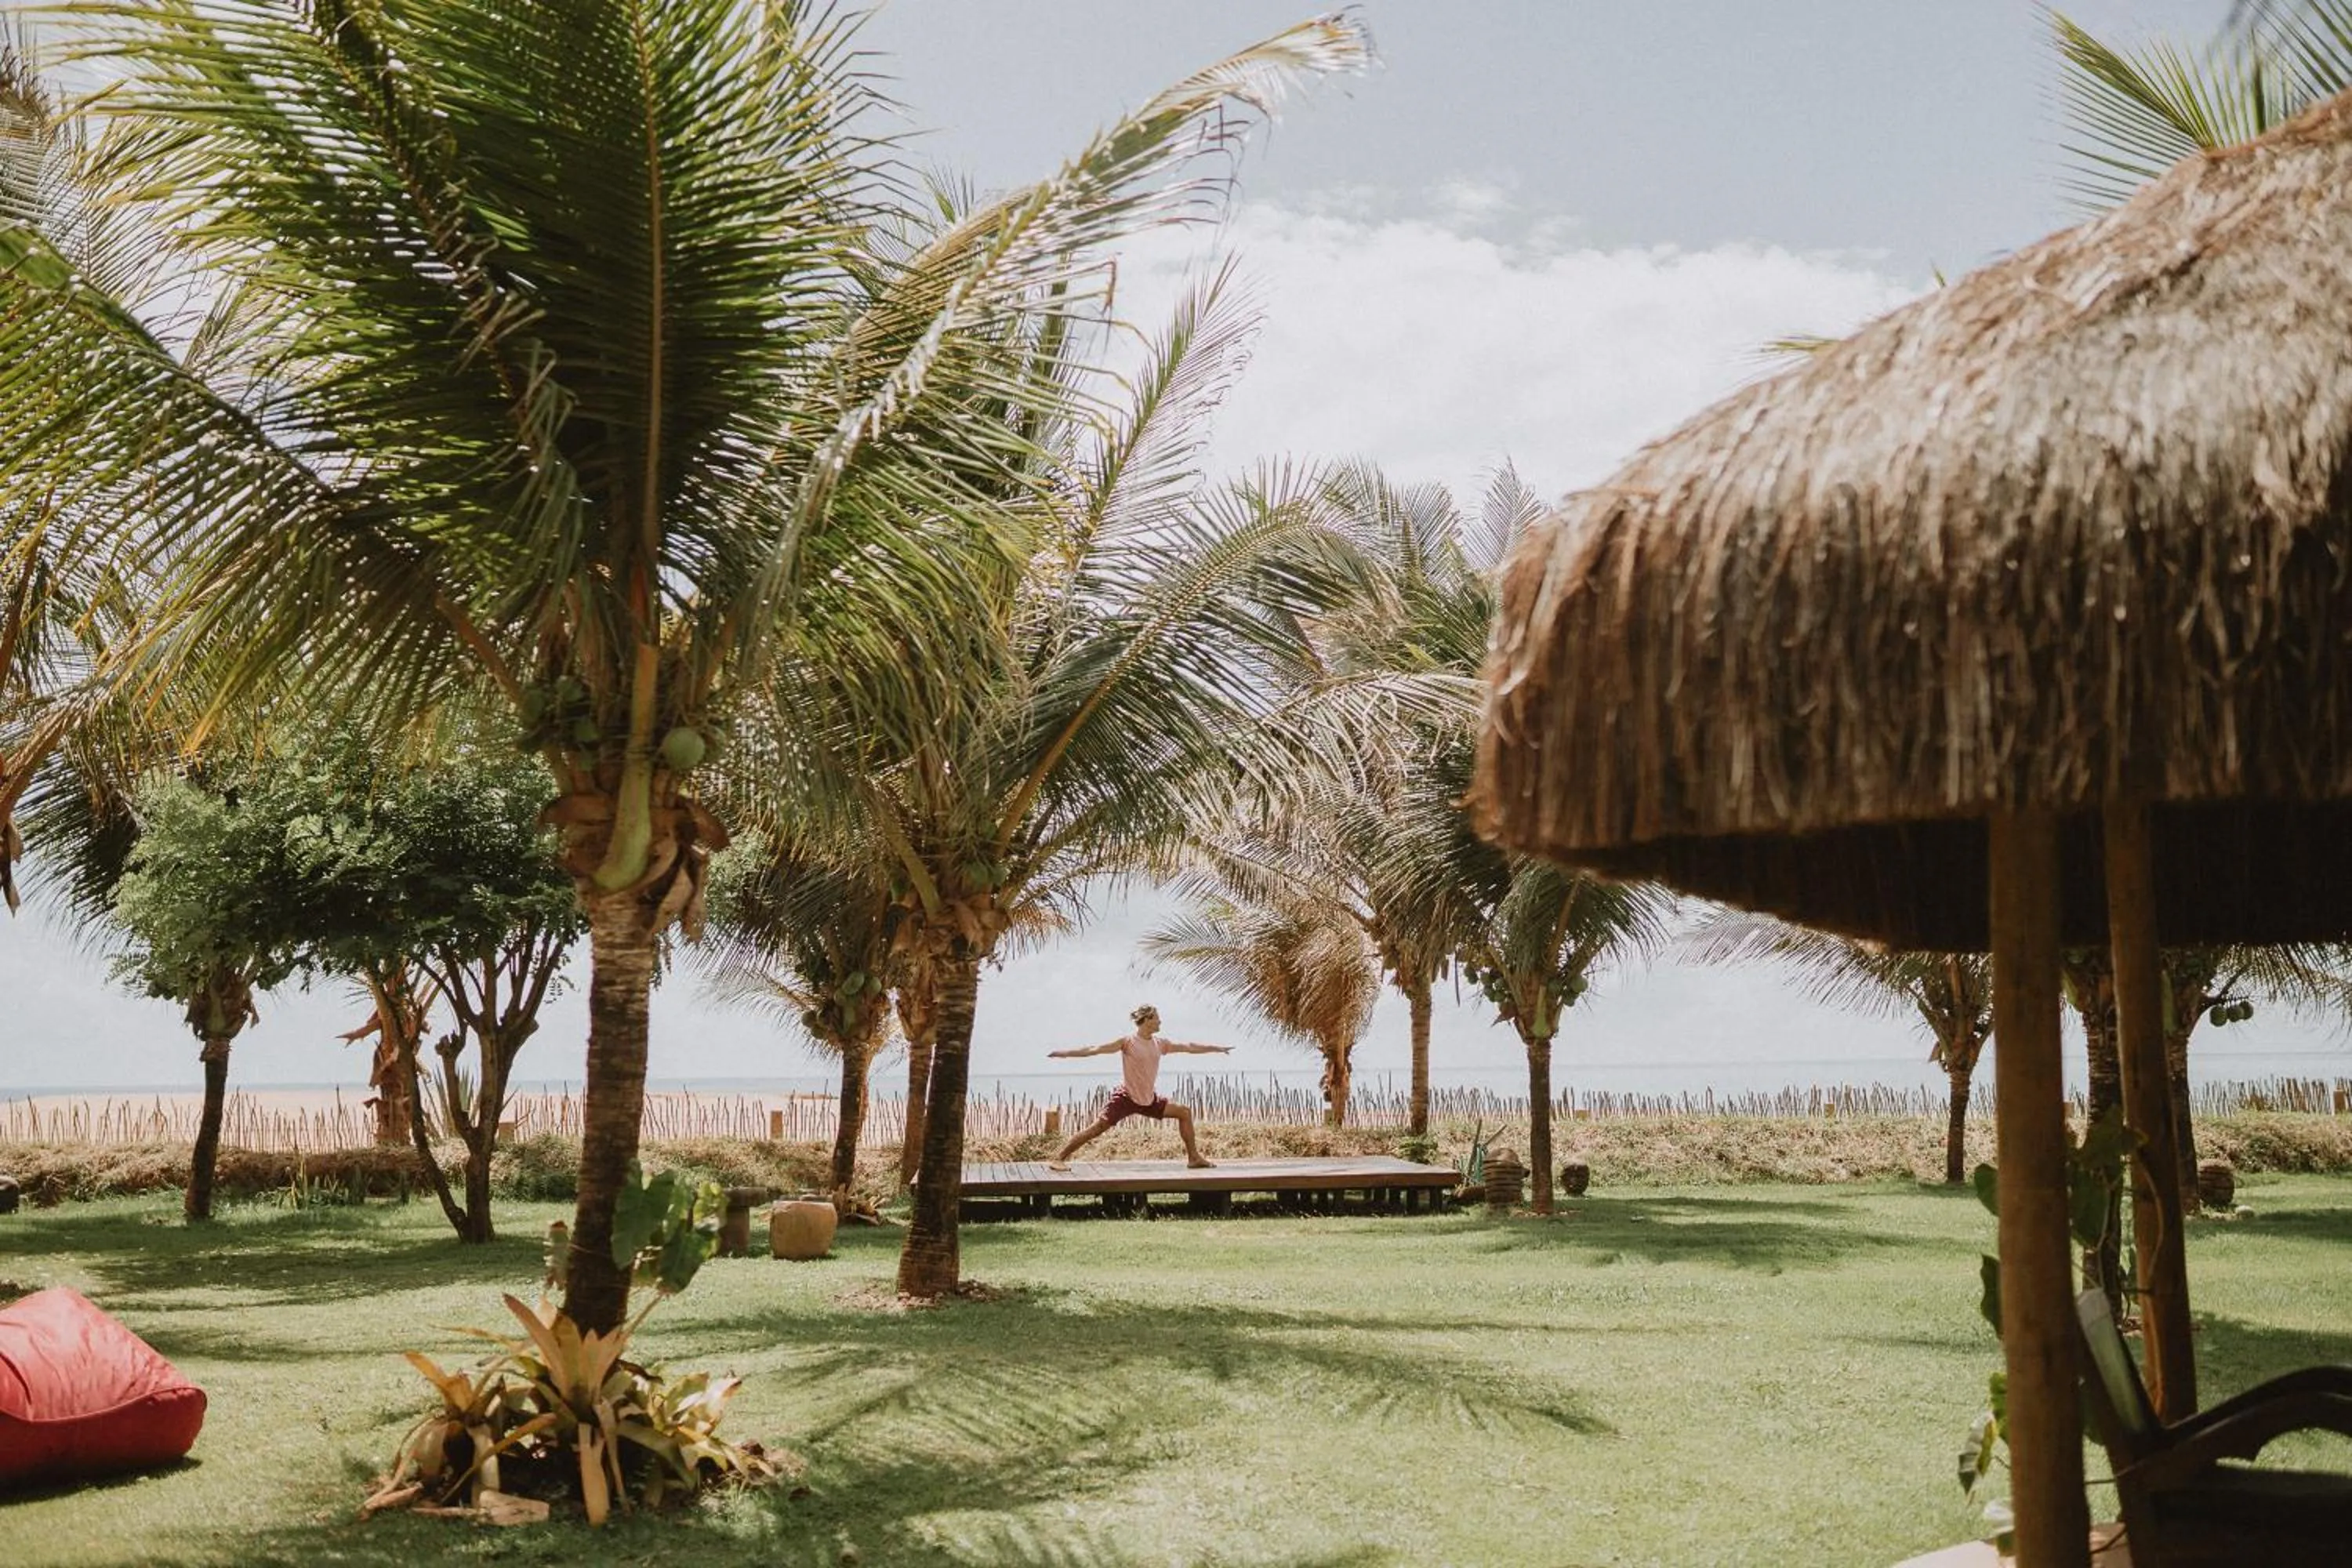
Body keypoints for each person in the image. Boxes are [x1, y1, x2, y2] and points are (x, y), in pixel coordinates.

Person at [1047, 1004, 1231, 1169]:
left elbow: (1189, 1047)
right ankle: (1059, 1158)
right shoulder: (1128, 1042)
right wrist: (1064, 1053)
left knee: (1184, 1112)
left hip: (1149, 1100)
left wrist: (1217, 1049)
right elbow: (1093, 1050)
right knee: (1097, 1128)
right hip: (1126, 1098)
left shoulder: (1160, 1044)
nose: (1160, 1021)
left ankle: (1194, 1158)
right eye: (1157, 1018)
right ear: (1148, 1020)